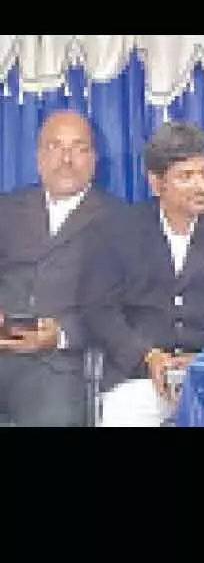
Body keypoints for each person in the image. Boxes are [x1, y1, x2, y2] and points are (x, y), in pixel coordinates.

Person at [88, 121, 204, 427]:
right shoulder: (120, 228)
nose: (201, 185)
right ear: (157, 183)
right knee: (123, 415)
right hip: (141, 375)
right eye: (186, 176)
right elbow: (99, 310)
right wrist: (148, 356)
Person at [0, 110, 125, 425]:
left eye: (78, 148)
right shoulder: (7, 209)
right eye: (55, 147)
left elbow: (120, 308)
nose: (65, 159)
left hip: (58, 364)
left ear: (94, 159)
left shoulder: (120, 221)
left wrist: (62, 334)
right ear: (39, 157)